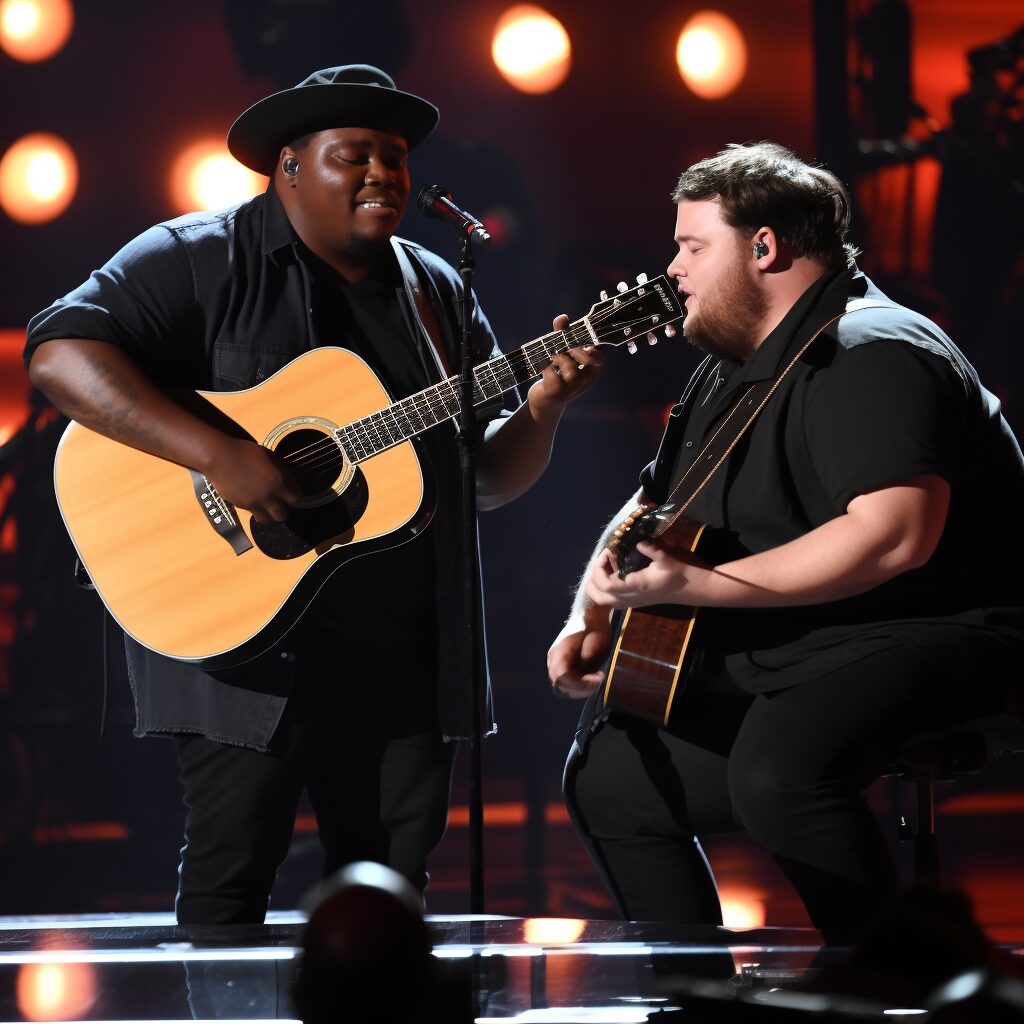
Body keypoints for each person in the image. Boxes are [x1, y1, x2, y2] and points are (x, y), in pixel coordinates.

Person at [26, 64, 602, 924]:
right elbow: (58, 356)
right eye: (355, 155)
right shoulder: (195, 257)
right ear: (289, 165)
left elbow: (477, 482)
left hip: (398, 646)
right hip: (241, 641)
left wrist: (545, 410)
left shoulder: (436, 292)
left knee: (391, 892)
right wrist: (220, 455)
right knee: (233, 873)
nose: (383, 175)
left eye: (396, 159)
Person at [547, 141, 1024, 944]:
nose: (674, 270)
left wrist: (697, 588)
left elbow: (893, 539)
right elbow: (655, 503)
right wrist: (588, 612)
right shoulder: (733, 368)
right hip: (820, 636)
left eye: (693, 246)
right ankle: (693, 1002)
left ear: (764, 247)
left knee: (780, 770)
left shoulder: (873, 351)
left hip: (946, 629)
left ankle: (894, 981)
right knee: (617, 778)